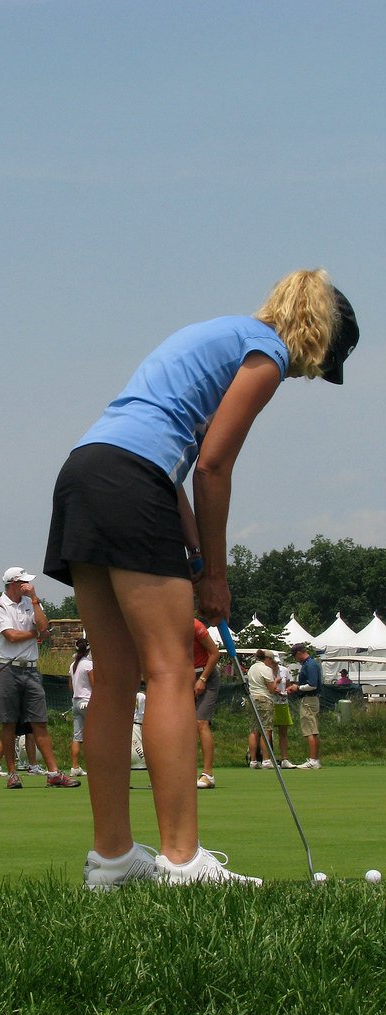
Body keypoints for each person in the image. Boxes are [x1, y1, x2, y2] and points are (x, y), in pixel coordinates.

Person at [44, 268, 359, 886]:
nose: (307, 375)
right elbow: (212, 468)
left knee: (113, 678)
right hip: (135, 483)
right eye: (322, 364)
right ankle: (182, 861)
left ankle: (111, 860)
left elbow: (169, 452)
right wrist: (215, 574)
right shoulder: (266, 353)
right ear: (317, 337)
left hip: (86, 473)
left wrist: (189, 548)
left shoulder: (217, 332)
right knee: (167, 670)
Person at [0, 567, 80, 789]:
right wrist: (36, 634)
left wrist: (36, 600)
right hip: (8, 669)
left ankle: (54, 773)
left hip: (31, 669)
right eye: (24, 583)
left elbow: (44, 627)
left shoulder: (32, 602)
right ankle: (12, 774)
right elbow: (10, 636)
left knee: (39, 722)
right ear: (13, 583)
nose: (28, 586)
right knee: (8, 722)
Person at [193, 619, 221, 789]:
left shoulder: (195, 626)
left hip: (207, 676)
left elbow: (215, 653)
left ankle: (208, 774)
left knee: (201, 722)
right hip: (185, 677)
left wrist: (202, 679)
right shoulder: (168, 625)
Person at [287, 642, 322, 769]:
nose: (295, 659)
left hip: (309, 700)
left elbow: (312, 684)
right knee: (314, 730)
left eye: (294, 656)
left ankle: (313, 760)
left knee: (310, 730)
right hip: (312, 699)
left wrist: (298, 687)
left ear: (299, 653)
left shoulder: (310, 665)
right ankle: (315, 759)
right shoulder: (312, 663)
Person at [247, 651, 278, 768]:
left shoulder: (252, 668)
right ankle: (266, 760)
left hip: (251, 699)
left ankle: (253, 761)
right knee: (266, 729)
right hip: (264, 699)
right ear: (268, 659)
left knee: (254, 730)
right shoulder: (266, 669)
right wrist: (276, 680)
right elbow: (271, 689)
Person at [68, 638, 93, 777]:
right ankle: (95, 765)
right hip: (87, 701)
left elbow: (70, 686)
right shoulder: (88, 664)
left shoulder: (73, 665)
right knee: (93, 735)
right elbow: (94, 684)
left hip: (76, 701)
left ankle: (75, 767)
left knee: (77, 736)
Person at [273, 659, 296, 769]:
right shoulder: (265, 671)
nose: (275, 664)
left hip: (282, 702)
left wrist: (286, 691)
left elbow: (288, 686)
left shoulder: (285, 670)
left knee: (283, 732)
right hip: (270, 703)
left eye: (277, 662)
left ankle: (285, 759)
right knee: (267, 732)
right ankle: (268, 759)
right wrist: (274, 687)